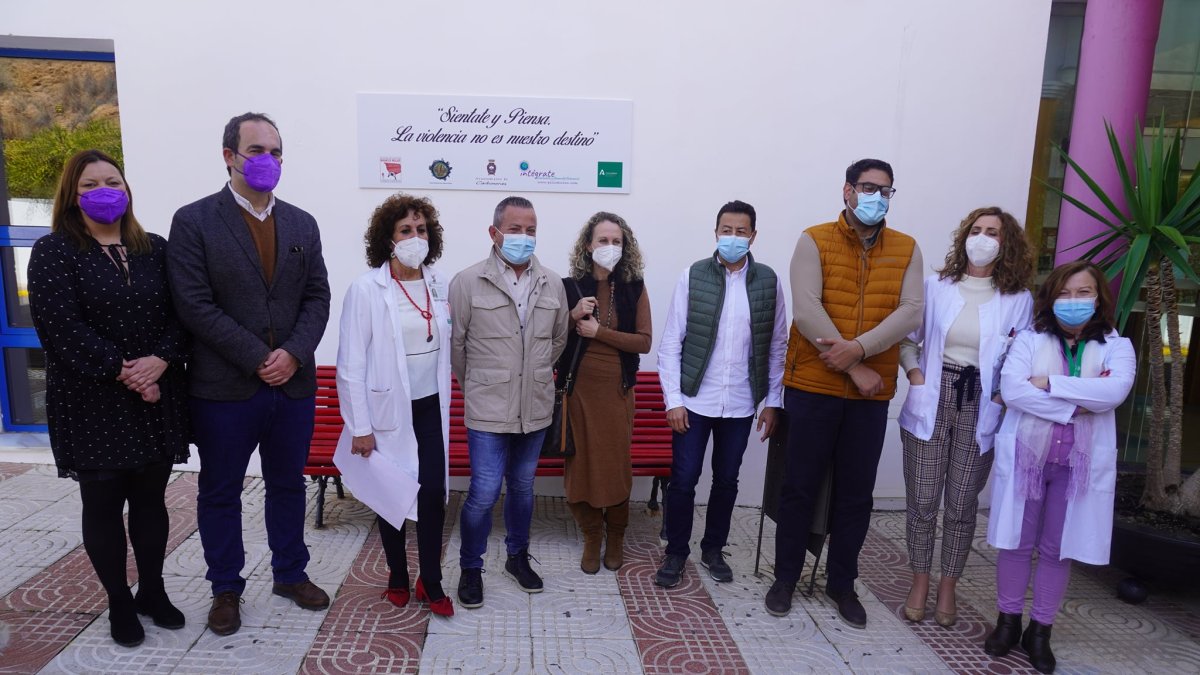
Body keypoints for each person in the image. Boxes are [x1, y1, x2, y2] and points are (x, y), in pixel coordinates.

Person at [168, 112, 332, 636]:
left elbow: (317, 297)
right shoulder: (194, 221)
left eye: (277, 152)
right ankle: (225, 587)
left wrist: (293, 352)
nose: (269, 161)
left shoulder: (303, 223)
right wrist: (257, 356)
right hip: (224, 388)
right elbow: (193, 304)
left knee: (287, 484)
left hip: (292, 385)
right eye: (258, 150)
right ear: (229, 156)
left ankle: (290, 572)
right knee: (221, 490)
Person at [28, 150, 190, 647]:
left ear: (127, 190)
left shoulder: (155, 249)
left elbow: (185, 314)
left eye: (113, 182)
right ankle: (120, 600)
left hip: (155, 396)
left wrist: (160, 360)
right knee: (102, 504)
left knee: (150, 502)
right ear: (72, 197)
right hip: (92, 399)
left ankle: (153, 591)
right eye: (91, 184)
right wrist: (125, 370)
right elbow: (60, 327)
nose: (105, 192)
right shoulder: (54, 251)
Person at [768, 159, 924, 626]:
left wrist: (858, 350)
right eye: (867, 187)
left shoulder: (907, 248)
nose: (875, 196)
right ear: (847, 190)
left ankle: (842, 583)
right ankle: (785, 579)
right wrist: (856, 365)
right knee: (799, 487)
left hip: (870, 397)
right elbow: (806, 308)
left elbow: (911, 311)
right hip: (814, 386)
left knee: (856, 495)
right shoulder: (813, 239)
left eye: (885, 190)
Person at [983, 261, 1134, 674]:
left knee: (1056, 549)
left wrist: (1048, 383)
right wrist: (1080, 405)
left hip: (1076, 468)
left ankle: (1040, 632)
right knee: (1016, 542)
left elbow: (1115, 391)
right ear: (1051, 298)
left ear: (1099, 298)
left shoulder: (1117, 346)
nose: (1073, 302)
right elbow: (1013, 391)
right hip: (1029, 460)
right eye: (1065, 293)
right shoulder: (1030, 340)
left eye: (1083, 293)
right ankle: (1008, 622)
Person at [896, 207, 1034, 627]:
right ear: (964, 237)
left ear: (1006, 243)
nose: (983, 237)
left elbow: (1020, 356)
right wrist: (916, 378)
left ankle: (948, 586)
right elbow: (906, 338)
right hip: (932, 398)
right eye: (976, 230)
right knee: (922, 501)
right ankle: (919, 580)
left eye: (993, 232)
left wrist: (999, 395)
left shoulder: (1019, 299)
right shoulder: (936, 287)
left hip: (981, 405)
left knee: (960, 503)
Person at [655, 200, 788, 589]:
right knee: (683, 479)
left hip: (742, 403)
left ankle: (713, 548)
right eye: (726, 230)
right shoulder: (693, 276)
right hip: (695, 401)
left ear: (753, 236)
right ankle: (676, 552)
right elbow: (670, 344)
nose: (733, 238)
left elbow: (778, 345)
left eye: (741, 231)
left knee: (727, 479)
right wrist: (674, 400)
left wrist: (773, 401)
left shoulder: (768, 281)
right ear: (715, 233)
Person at [336, 194, 454, 616]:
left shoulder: (438, 283)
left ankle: (432, 580)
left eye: (421, 230)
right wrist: (360, 426)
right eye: (406, 230)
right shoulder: (367, 289)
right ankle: (398, 576)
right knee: (392, 495)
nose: (415, 237)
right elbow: (350, 364)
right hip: (386, 411)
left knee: (434, 493)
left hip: (430, 405)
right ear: (388, 239)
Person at [449, 195, 569, 608]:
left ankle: (517, 558)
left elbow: (557, 341)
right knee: (482, 492)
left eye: (530, 229)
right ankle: (470, 567)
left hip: (534, 406)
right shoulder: (467, 282)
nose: (523, 237)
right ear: (494, 232)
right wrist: (484, 385)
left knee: (522, 488)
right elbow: (458, 346)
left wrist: (530, 377)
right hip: (487, 408)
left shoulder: (552, 283)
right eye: (515, 229)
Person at [559, 212, 652, 574]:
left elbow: (643, 342)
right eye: (603, 240)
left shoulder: (634, 287)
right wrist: (571, 316)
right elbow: (550, 338)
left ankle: (616, 538)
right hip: (577, 390)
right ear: (588, 245)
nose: (610, 247)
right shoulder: (569, 286)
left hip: (616, 391)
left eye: (617, 241)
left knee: (615, 469)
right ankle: (591, 536)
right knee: (579, 468)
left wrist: (600, 333)